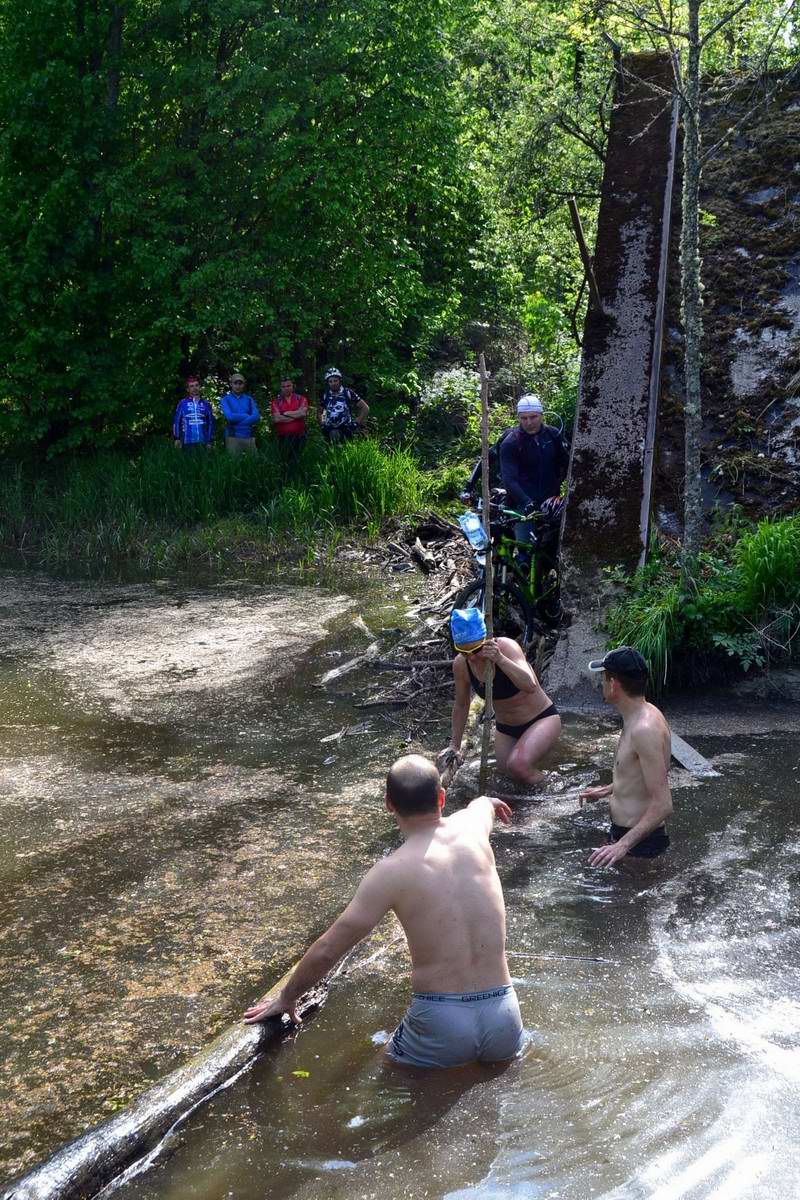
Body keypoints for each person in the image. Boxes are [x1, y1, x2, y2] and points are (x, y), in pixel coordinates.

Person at [244, 754, 524, 1070]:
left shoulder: (390, 872)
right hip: (505, 1014)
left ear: (389, 804)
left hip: (441, 1019)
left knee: (390, 1080)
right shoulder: (472, 830)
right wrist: (488, 801)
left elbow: (328, 949)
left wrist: (287, 996)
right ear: (442, 797)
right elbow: (481, 807)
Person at [441, 608, 561, 788]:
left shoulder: (506, 647)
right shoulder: (461, 664)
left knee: (518, 766)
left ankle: (553, 792)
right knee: (505, 778)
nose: (472, 658)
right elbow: (461, 704)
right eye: (464, 652)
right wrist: (454, 746)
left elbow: (530, 685)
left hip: (541, 719)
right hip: (506, 728)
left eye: (476, 650)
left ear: (485, 639)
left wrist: (500, 659)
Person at [579, 647, 673, 865]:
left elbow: (663, 804)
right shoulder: (639, 715)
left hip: (641, 846)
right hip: (628, 837)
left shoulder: (644, 729)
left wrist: (622, 845)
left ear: (614, 685)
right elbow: (646, 774)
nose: (601, 685)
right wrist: (612, 788)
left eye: (603, 679)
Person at [318, 368, 369, 443]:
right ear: (328, 383)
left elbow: (365, 408)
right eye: (330, 381)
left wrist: (357, 422)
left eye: (335, 380)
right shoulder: (325, 395)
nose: (333, 383)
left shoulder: (347, 392)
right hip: (329, 430)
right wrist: (322, 424)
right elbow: (319, 412)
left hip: (346, 429)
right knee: (331, 453)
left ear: (340, 380)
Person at [219, 373, 259, 454]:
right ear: (231, 384)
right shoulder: (225, 399)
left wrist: (238, 420)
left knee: (254, 464)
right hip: (232, 437)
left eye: (240, 383)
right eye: (235, 383)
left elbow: (256, 417)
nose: (238, 386)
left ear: (244, 384)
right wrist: (246, 416)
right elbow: (229, 417)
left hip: (249, 436)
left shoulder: (249, 399)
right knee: (233, 465)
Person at [271, 376, 308, 461]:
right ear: (280, 388)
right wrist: (296, 415)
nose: (286, 388)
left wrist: (284, 413)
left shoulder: (301, 399)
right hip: (283, 438)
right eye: (283, 386)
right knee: (284, 461)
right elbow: (277, 419)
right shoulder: (276, 402)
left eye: (288, 386)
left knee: (298, 460)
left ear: (293, 386)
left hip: (299, 436)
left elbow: (303, 413)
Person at [173, 376, 215, 451]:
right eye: (191, 386)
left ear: (200, 387)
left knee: (204, 462)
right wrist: (177, 438)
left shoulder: (206, 403)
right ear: (188, 389)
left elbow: (211, 423)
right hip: (187, 441)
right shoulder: (182, 403)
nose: (194, 388)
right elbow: (177, 421)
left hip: (203, 442)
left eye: (196, 385)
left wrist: (210, 441)